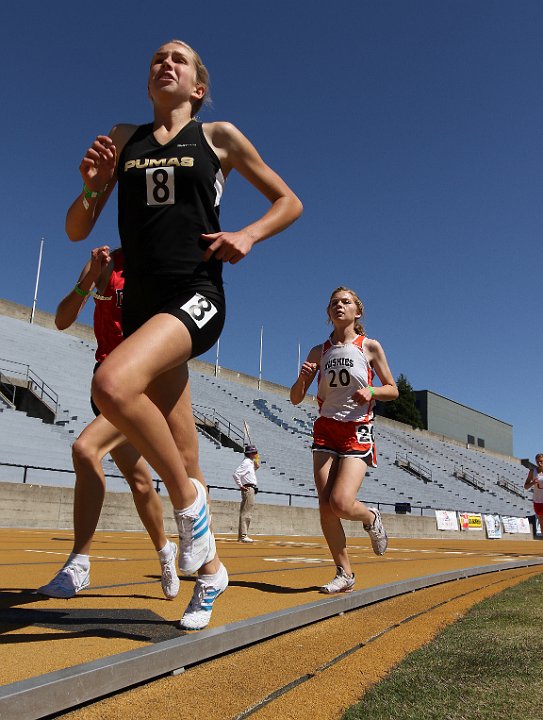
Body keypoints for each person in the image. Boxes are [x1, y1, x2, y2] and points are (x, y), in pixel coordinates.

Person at [65, 40, 302, 629]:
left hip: (197, 293)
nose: (164, 63)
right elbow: (77, 228)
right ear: (149, 82)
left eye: (180, 58)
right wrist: (94, 185)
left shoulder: (218, 136)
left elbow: (288, 201)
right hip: (144, 305)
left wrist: (246, 235)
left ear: (198, 86)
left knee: (111, 385)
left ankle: (190, 511)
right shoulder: (124, 137)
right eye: (156, 59)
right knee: (186, 451)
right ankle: (213, 572)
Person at [37, 245, 180, 602]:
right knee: (140, 482)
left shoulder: (162, 262)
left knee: (85, 449)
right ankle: (166, 552)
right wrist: (89, 277)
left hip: (141, 383)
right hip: (105, 383)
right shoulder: (106, 263)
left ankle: (79, 564)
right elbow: (62, 319)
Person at [290, 287, 398, 594]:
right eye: (334, 302)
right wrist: (302, 379)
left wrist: (373, 392)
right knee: (325, 508)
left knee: (340, 502)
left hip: (357, 428)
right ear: (328, 312)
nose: (339, 305)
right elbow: (296, 398)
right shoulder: (318, 351)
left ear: (357, 312)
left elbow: (393, 389)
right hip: (326, 428)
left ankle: (370, 516)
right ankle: (344, 572)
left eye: (345, 301)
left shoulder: (369, 347)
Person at [233, 445, 260, 542]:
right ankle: (243, 536)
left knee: (247, 511)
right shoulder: (246, 463)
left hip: (250, 488)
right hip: (248, 488)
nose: (256, 455)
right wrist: (240, 485)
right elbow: (236, 474)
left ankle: (243, 535)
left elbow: (248, 474)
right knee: (246, 512)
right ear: (251, 453)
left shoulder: (249, 463)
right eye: (255, 453)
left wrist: (255, 467)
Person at [524, 453, 543, 533]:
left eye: (541, 461)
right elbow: (526, 486)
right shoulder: (532, 472)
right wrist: (532, 483)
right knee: (542, 524)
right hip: (537, 501)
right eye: (537, 461)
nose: (539, 463)